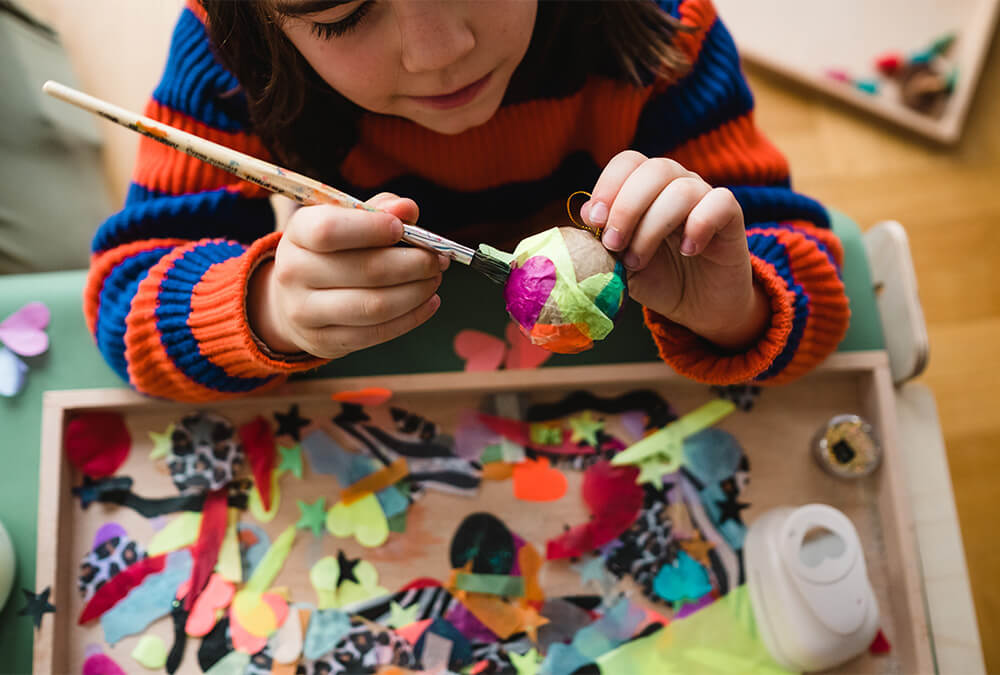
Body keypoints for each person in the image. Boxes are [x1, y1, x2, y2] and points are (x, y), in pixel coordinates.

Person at [86, 0, 849, 402]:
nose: (439, 50)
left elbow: (814, 291)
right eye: (341, 15)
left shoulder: (663, 25)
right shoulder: (227, 55)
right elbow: (127, 307)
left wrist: (734, 307)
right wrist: (268, 309)